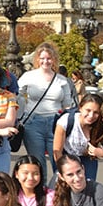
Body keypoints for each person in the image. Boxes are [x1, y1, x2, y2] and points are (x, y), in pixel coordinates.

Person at [17, 42, 77, 184]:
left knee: (60, 162)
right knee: (38, 163)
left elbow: (68, 105)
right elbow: (16, 96)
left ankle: (59, 193)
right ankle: (41, 197)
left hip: (56, 124)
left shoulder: (62, 80)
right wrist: (19, 116)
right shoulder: (28, 76)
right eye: (42, 58)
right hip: (33, 123)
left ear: (54, 60)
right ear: (37, 59)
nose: (46, 61)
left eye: (49, 58)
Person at [52, 93, 103, 183]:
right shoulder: (66, 121)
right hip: (66, 157)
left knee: (88, 187)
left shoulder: (101, 125)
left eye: (96, 112)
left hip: (87, 159)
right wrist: (63, 169)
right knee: (66, 187)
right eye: (88, 110)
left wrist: (99, 152)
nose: (91, 116)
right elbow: (57, 150)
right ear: (80, 108)